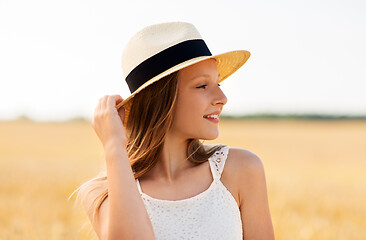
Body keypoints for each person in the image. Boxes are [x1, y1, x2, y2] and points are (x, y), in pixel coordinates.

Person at [70, 22, 275, 240]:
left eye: (219, 84)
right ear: (160, 99)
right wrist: (113, 145)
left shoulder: (241, 169)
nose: (222, 99)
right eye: (202, 86)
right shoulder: (101, 194)